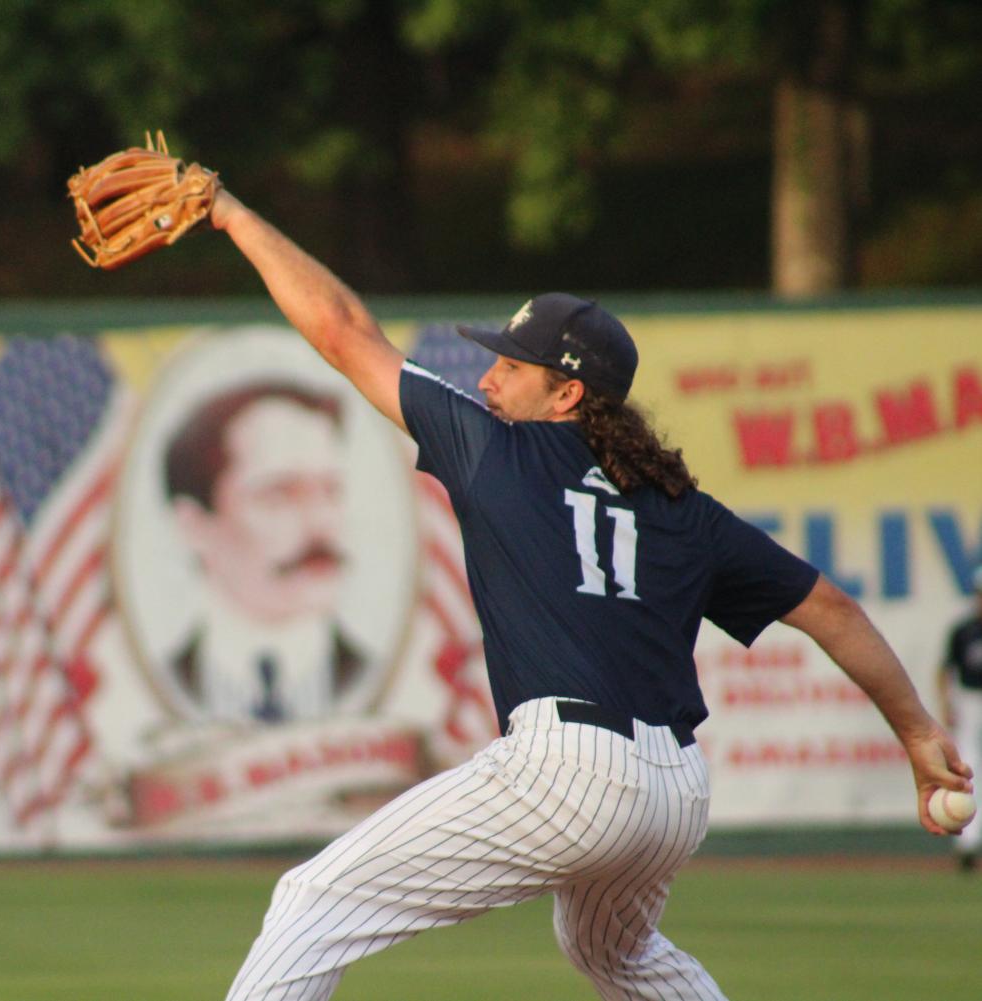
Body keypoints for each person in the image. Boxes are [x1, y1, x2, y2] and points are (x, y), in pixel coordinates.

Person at [199, 187, 974, 1001]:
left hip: (565, 772)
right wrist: (917, 732)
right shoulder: (684, 508)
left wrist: (228, 213)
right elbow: (834, 611)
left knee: (314, 901)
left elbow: (341, 330)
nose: (488, 380)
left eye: (509, 366)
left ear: (566, 394)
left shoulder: (495, 452)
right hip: (675, 793)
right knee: (615, 956)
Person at [163, 380, 366, 723]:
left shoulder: (363, 673)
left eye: (330, 491)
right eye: (279, 496)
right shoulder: (170, 680)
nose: (319, 523)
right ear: (195, 525)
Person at [938, 565, 982, 871]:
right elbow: (945, 670)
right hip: (970, 700)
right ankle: (968, 847)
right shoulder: (964, 630)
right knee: (969, 770)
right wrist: (946, 704)